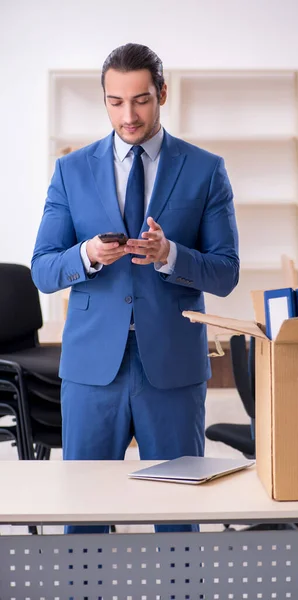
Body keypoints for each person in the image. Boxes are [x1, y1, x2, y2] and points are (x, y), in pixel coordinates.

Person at [31, 43, 239, 534]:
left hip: (171, 368)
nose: (128, 115)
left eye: (141, 100)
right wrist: (86, 255)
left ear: (162, 93)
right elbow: (43, 268)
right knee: (83, 517)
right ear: (104, 100)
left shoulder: (205, 170)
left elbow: (226, 272)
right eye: (115, 102)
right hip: (90, 369)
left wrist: (170, 255)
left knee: (177, 519)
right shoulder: (71, 170)